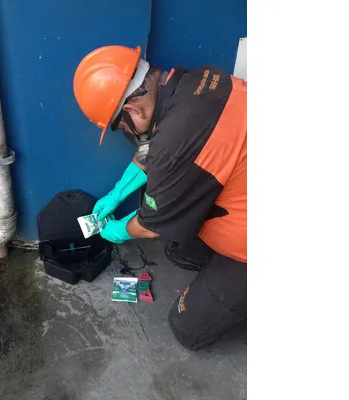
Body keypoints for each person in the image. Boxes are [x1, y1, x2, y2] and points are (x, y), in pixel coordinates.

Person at [73, 45, 247, 351]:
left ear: (133, 109)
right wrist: (118, 192)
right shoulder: (200, 80)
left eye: (120, 127)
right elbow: (156, 148)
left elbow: (152, 225)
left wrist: (118, 230)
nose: (124, 133)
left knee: (187, 327)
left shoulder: (173, 146)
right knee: (181, 248)